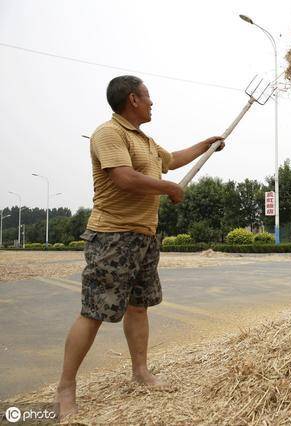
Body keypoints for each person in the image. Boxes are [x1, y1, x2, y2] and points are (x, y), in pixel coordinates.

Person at [55, 75, 225, 418]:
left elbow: (172, 159)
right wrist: (169, 189)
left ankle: (140, 371)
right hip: (112, 237)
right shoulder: (109, 134)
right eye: (148, 97)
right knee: (94, 312)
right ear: (133, 99)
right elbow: (123, 177)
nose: (152, 103)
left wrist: (206, 144)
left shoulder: (144, 140)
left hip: (144, 237)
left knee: (138, 307)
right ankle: (65, 389)